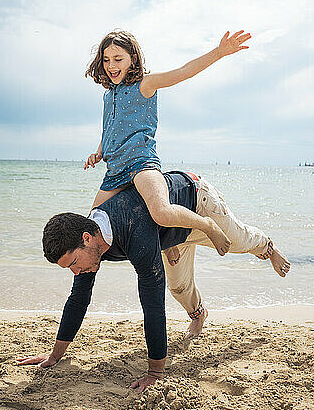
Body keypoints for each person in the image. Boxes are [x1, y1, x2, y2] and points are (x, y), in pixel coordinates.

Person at [17, 171, 290, 392]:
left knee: (238, 242)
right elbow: (78, 300)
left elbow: (152, 304)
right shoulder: (91, 241)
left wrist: (155, 373)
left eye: (73, 263)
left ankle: (268, 247)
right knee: (178, 287)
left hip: (197, 204)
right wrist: (54, 356)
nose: (75, 272)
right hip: (167, 235)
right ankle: (199, 314)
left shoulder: (131, 229)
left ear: (87, 239)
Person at [83, 29, 251, 259]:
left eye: (118, 59)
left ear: (133, 58)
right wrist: (99, 152)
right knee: (93, 227)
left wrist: (220, 52)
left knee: (161, 212)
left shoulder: (146, 84)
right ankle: (166, 243)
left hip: (141, 165)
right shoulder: (108, 94)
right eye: (106, 60)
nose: (111, 65)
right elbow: (109, 128)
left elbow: (184, 72)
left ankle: (207, 225)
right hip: (114, 172)